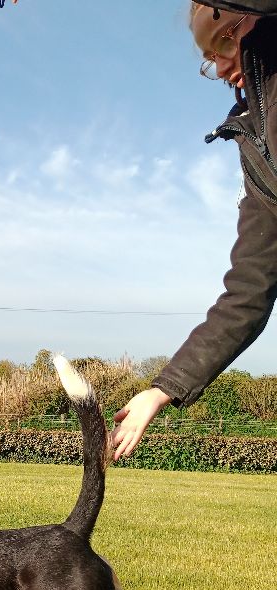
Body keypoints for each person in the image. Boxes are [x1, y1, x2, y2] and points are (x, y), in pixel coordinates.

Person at [112, 2, 277, 460]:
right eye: (209, 58)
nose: (220, 67)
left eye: (224, 42)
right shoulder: (255, 143)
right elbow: (248, 291)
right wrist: (162, 389)